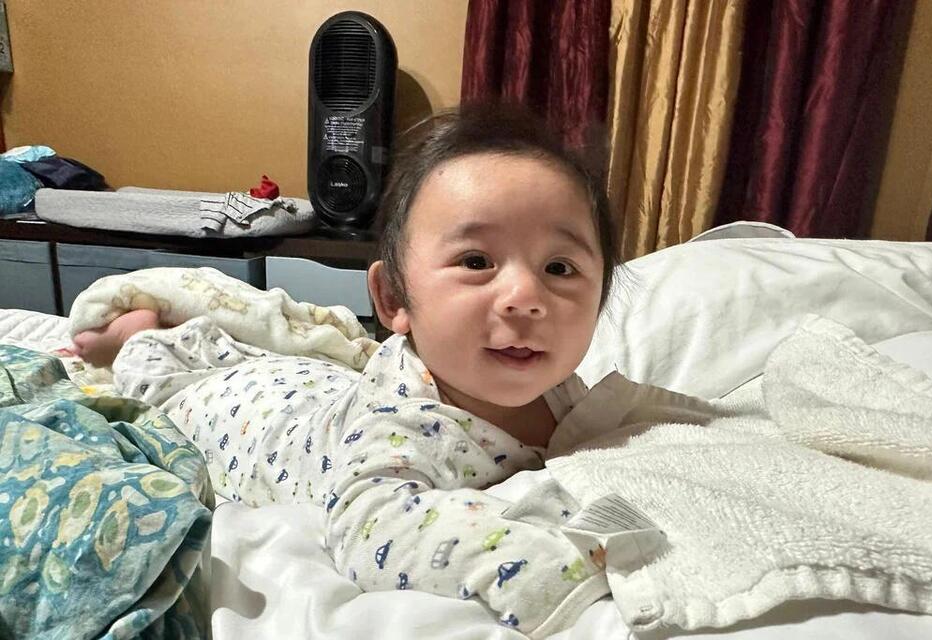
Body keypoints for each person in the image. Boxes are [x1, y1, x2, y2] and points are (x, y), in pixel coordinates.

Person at [71, 105, 620, 635]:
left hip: (315, 388)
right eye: (476, 261)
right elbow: (370, 527)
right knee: (165, 381)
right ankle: (134, 334)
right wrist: (558, 569)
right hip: (245, 417)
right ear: (393, 298)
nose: (526, 297)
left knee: (269, 361)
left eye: (559, 267)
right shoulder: (404, 426)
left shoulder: (565, 391)